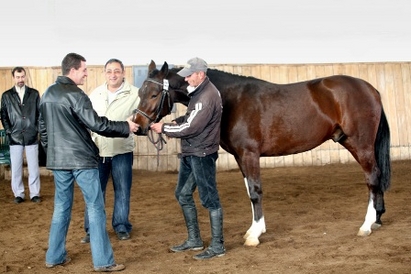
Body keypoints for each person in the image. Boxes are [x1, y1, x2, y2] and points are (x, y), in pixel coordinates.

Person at [39, 53, 139, 272]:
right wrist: (125, 127)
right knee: (95, 207)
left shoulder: (47, 93)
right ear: (73, 70)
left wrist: (54, 153)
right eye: (84, 69)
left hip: (59, 161)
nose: (86, 73)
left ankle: (54, 256)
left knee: (61, 208)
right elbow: (98, 125)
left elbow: (43, 131)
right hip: (82, 160)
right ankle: (103, 261)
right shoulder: (77, 95)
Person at [150, 57, 225, 260]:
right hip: (192, 152)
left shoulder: (207, 97)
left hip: (201, 154)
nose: (187, 79)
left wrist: (164, 127)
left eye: (190, 75)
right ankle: (194, 240)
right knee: (183, 194)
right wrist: (179, 119)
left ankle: (217, 245)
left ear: (201, 74)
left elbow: (192, 127)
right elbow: (192, 119)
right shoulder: (199, 93)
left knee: (210, 199)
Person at [81, 58, 140, 244]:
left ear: (123, 73)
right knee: (95, 191)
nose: (113, 75)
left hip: (121, 149)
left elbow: (141, 118)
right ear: (104, 73)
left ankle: (121, 225)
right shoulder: (95, 94)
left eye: (116, 71)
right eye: (109, 71)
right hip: (98, 151)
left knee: (122, 190)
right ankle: (92, 229)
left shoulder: (136, 94)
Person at [0, 67, 41, 204]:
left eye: (22, 77)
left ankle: (35, 193)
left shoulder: (34, 94)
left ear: (25, 77)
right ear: (13, 78)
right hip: (15, 136)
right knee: (16, 167)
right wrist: (9, 131)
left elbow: (39, 113)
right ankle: (19, 193)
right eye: (18, 77)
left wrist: (36, 129)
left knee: (33, 167)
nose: (20, 80)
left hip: (31, 135)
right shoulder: (6, 95)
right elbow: (3, 115)